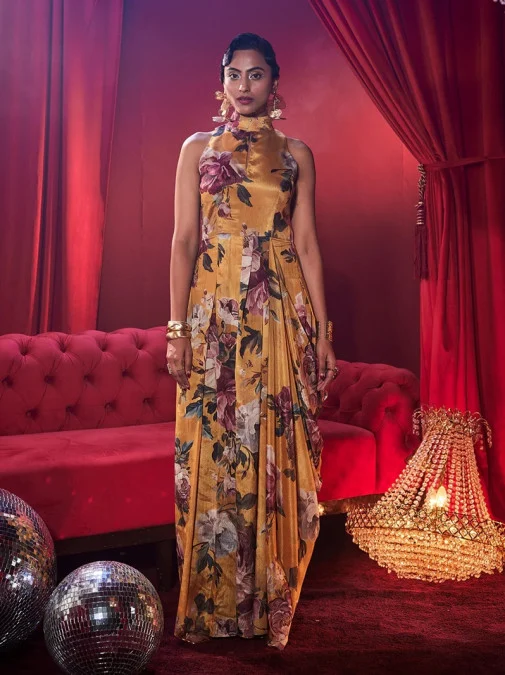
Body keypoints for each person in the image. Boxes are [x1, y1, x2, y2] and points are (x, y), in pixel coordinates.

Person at [166, 32, 338, 650]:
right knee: (215, 449)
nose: (244, 85)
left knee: (273, 447)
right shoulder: (197, 148)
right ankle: (212, 607)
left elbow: (307, 243)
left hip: (278, 313)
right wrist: (177, 330)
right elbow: (184, 241)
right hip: (214, 316)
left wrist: (323, 332)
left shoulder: (296, 154)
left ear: (274, 82)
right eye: (234, 74)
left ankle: (267, 604)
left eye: (256, 74)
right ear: (222, 82)